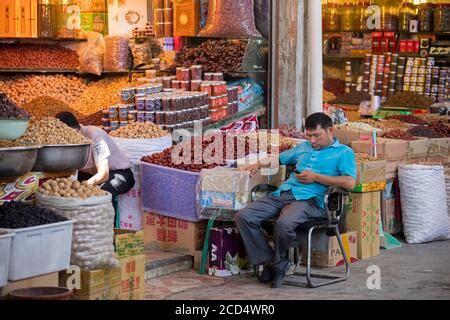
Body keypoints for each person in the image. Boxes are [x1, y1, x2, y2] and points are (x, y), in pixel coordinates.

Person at [235, 113, 357, 288]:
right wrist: (259, 164)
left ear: (330, 131)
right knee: (244, 216)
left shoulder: (344, 153)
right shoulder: (304, 147)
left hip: (313, 201)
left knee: (284, 224)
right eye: (309, 136)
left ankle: (277, 262)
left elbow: (350, 182)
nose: (313, 141)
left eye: (317, 136)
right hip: (284, 194)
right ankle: (274, 262)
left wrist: (316, 177)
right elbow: (279, 158)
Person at [55, 112, 135, 203]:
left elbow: (104, 174)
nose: (66, 141)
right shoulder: (64, 139)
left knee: (102, 195)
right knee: (64, 188)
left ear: (75, 131)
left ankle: (105, 217)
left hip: (118, 173)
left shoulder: (95, 135)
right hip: (90, 174)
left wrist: (81, 188)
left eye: (67, 137)